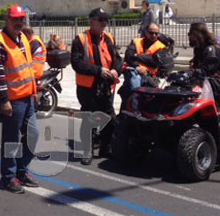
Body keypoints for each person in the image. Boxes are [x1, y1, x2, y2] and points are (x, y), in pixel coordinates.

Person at [0, 5, 40, 193]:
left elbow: (28, 68)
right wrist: (4, 100)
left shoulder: (22, 39)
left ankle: (21, 170)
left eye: (21, 19)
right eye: (15, 19)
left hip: (27, 97)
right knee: (11, 140)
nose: (19, 22)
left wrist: (34, 90)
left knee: (33, 134)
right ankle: (9, 177)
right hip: (13, 100)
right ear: (7, 20)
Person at [70, 8, 122, 165]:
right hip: (88, 87)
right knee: (89, 119)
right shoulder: (81, 39)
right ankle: (87, 151)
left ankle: (105, 147)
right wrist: (98, 71)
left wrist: (115, 70)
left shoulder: (108, 38)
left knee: (108, 118)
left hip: (105, 85)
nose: (104, 24)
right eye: (101, 21)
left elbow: (118, 59)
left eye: (105, 21)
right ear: (92, 21)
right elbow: (76, 63)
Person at [119, 23, 170, 110]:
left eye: (156, 34)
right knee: (128, 91)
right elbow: (128, 56)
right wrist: (137, 66)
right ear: (146, 32)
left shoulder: (161, 47)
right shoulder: (136, 42)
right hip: (134, 74)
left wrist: (136, 56)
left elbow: (155, 61)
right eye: (151, 33)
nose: (153, 35)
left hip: (149, 78)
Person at [189, 22, 220, 108]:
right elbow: (196, 68)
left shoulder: (212, 50)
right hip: (210, 80)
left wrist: (191, 73)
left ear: (197, 35)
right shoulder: (198, 49)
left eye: (190, 34)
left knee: (204, 80)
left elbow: (206, 71)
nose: (189, 37)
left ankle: (203, 107)